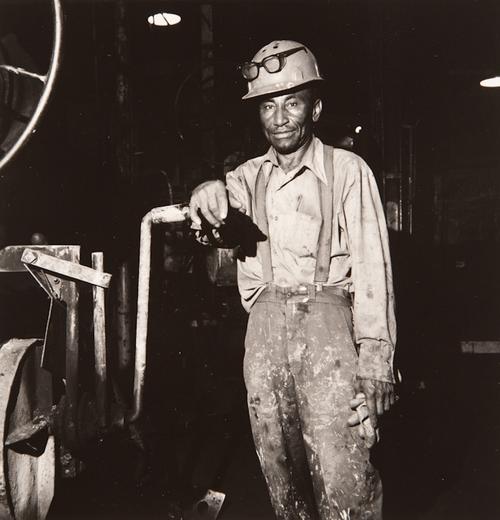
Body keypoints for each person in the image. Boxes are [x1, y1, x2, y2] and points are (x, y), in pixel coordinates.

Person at [189, 40, 396, 520]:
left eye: (292, 102)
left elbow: (372, 269)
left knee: (344, 474)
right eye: (268, 104)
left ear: (315, 108)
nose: (279, 117)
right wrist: (206, 191)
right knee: (281, 476)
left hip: (330, 331)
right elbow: (211, 216)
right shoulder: (245, 177)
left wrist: (377, 361)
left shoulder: (347, 171)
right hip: (263, 334)